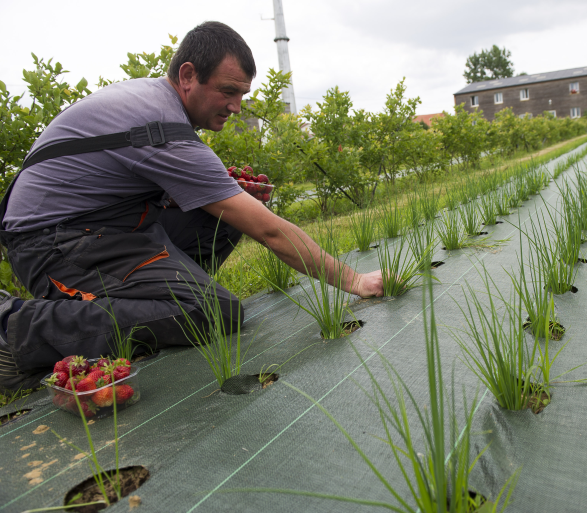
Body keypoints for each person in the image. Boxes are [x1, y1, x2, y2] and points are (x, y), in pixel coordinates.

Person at [0, 21, 384, 394]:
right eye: (228, 91)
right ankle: (14, 329)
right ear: (187, 75)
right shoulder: (161, 127)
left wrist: (224, 193)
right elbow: (268, 230)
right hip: (51, 245)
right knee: (215, 313)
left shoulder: (153, 101)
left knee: (226, 211)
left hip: (98, 226)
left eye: (242, 95)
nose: (236, 106)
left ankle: (163, 306)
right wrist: (354, 281)